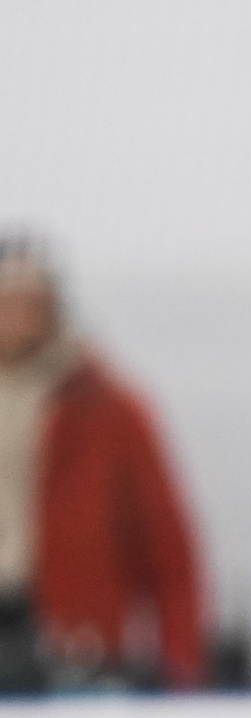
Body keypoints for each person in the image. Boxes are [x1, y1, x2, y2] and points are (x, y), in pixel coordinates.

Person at [0, 234, 206, 693]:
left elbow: (169, 548)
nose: (19, 316)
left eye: (31, 301)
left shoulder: (107, 407)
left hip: (73, 637)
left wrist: (182, 663)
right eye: (7, 301)